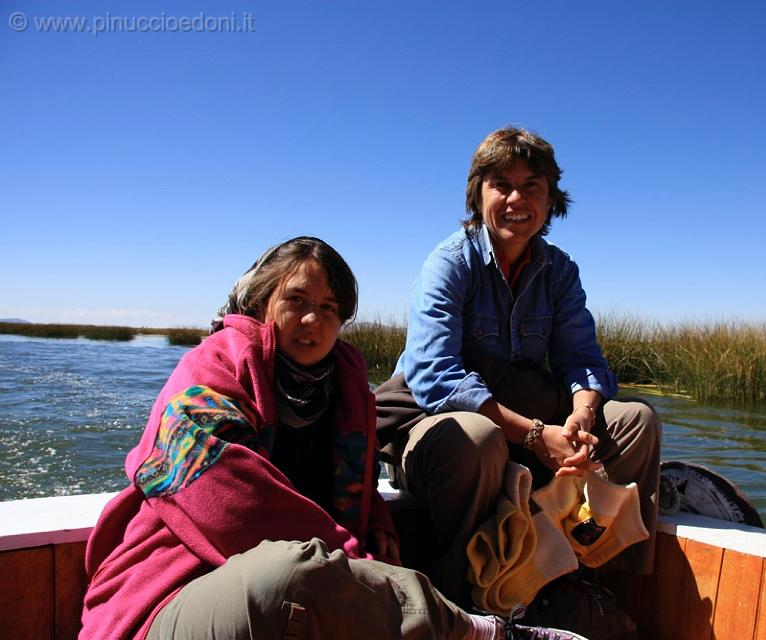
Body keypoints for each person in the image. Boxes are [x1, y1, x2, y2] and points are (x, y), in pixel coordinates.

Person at [79, 236, 586, 640]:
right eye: (295, 301)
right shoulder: (213, 367)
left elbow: (360, 481)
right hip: (173, 598)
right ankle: (487, 633)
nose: (312, 321)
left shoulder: (345, 383)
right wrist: (352, 562)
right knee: (286, 573)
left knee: (308, 576)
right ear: (262, 302)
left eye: (328, 308)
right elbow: (232, 502)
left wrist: (376, 526)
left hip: (318, 582)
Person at [376, 128, 662, 612]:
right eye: (500, 184)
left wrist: (581, 418)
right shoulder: (449, 263)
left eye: (532, 185)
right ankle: (466, 605)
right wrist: (534, 436)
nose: (517, 198)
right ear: (477, 193)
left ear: (551, 200)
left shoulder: (560, 271)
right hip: (433, 425)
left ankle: (588, 575)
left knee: (637, 422)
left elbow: (582, 360)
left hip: (526, 413)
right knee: (477, 437)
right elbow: (435, 376)